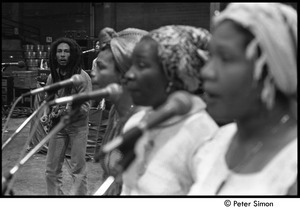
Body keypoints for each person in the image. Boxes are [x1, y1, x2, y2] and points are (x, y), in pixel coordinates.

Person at [188, 3, 297, 195]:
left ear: (272, 69)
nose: (206, 72)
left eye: (226, 58)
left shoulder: (291, 165)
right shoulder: (215, 144)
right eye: (211, 56)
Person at [121, 25, 219, 195]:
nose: (129, 74)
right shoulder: (137, 123)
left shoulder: (204, 136)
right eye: (131, 65)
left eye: (141, 65)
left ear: (175, 74)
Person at [91, 27, 148, 195]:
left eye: (101, 67)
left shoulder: (144, 124)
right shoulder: (116, 113)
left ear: (126, 75)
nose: (92, 73)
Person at [41, 37, 92, 195]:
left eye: (66, 51)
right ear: (55, 55)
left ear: (73, 54)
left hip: (77, 128)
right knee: (51, 170)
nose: (62, 55)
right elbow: (48, 101)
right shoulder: (53, 77)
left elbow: (86, 108)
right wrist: (46, 114)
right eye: (59, 51)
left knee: (77, 169)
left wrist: (68, 109)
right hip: (58, 127)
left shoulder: (82, 78)